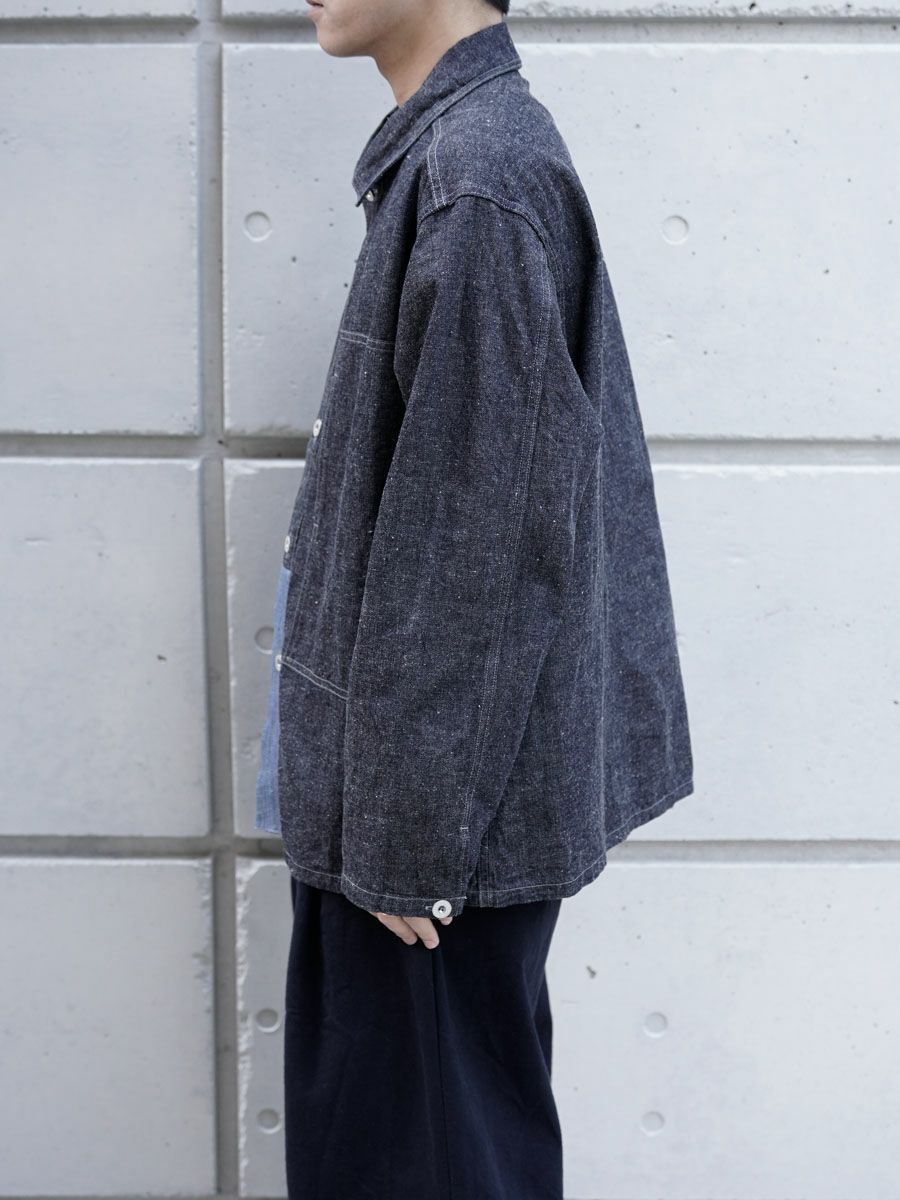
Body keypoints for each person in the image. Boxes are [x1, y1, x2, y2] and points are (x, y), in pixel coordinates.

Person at [254, 2, 695, 1196]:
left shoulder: (478, 179)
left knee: (422, 1162)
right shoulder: (459, 158)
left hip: (424, 838)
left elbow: (483, 546)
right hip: (417, 814)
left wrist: (409, 847)